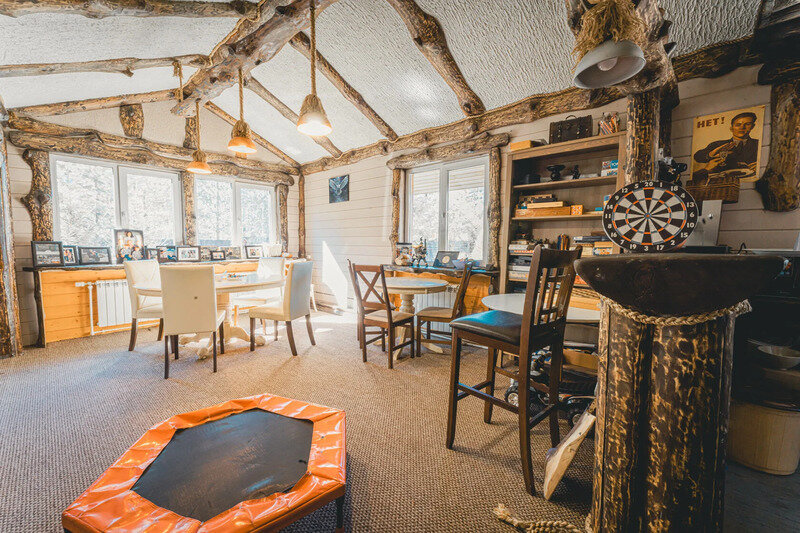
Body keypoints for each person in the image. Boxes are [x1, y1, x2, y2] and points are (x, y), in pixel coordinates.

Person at [692, 112, 759, 180]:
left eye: (747, 124)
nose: (742, 127)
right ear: (731, 128)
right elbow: (697, 156)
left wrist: (759, 165)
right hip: (722, 182)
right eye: (738, 125)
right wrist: (711, 154)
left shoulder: (758, 144)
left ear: (752, 126)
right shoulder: (718, 144)